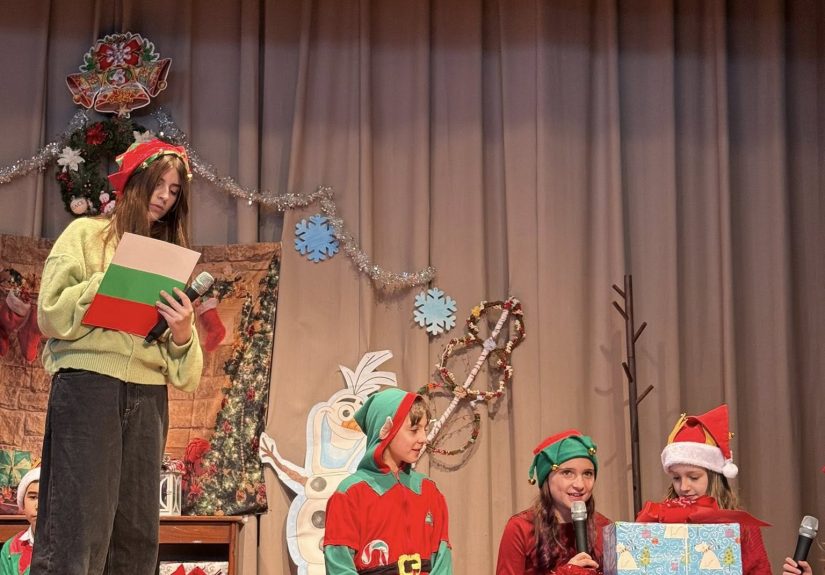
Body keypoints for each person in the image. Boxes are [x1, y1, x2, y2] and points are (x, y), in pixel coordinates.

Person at [32, 139, 203, 575]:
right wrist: (108, 283)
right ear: (134, 181)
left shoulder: (169, 256)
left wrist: (182, 330)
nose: (165, 197)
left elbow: (187, 374)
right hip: (89, 388)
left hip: (148, 396)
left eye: (175, 190)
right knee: (77, 528)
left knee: (136, 534)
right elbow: (50, 314)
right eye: (158, 184)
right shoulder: (85, 235)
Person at [323, 387, 452, 574]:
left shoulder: (428, 491)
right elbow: (339, 566)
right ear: (386, 430)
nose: (424, 438)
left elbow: (442, 561)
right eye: (414, 430)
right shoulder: (351, 493)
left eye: (425, 429)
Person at [638, 404, 771, 575]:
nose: (684, 487)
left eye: (694, 477)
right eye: (676, 478)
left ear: (714, 476)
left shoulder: (743, 528)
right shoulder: (659, 522)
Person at [496, 430, 611, 575]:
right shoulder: (521, 528)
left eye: (588, 473)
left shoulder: (605, 528)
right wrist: (566, 572)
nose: (580, 484)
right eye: (567, 473)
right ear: (546, 478)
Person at [0, 467, 40, 575]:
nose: (38, 505)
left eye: (46, 498)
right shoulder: (11, 547)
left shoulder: (71, 545)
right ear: (23, 503)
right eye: (33, 497)